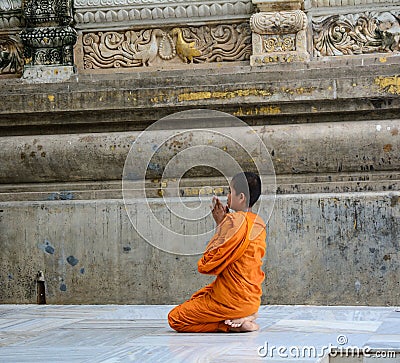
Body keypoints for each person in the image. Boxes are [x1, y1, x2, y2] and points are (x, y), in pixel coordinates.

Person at [168, 172, 267, 333]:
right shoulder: (259, 223)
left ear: (241, 197)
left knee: (175, 318)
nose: (227, 196)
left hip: (231, 301)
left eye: (230, 191)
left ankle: (229, 324)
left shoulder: (232, 221)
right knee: (202, 296)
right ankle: (247, 316)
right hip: (252, 299)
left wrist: (221, 225)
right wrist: (224, 223)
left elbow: (209, 263)